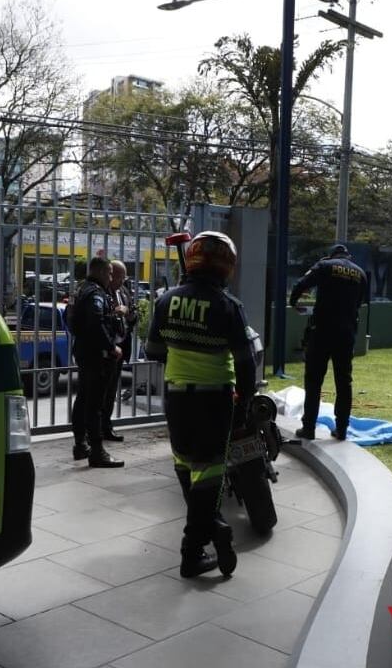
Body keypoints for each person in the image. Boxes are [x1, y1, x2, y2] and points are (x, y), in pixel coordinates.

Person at [146, 231, 256, 579]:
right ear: (227, 266)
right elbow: (245, 363)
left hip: (176, 396)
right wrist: (246, 402)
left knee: (185, 464)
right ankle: (192, 552)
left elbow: (153, 351)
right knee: (209, 472)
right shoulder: (229, 307)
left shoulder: (166, 301)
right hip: (215, 397)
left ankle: (212, 525)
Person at [288, 244, 371, 441]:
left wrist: (293, 302)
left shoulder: (325, 266)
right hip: (346, 333)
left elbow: (301, 283)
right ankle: (342, 429)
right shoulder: (360, 273)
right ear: (348, 256)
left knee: (314, 380)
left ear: (332, 255)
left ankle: (308, 427)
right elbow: (359, 303)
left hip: (322, 330)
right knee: (344, 381)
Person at [68, 257, 124, 468]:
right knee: (94, 404)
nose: (111, 277)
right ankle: (98, 451)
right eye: (110, 273)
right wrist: (111, 347)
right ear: (100, 272)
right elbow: (96, 320)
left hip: (83, 351)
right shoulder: (96, 293)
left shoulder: (80, 290)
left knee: (83, 398)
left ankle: (80, 444)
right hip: (96, 355)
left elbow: (71, 319)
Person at [99, 259, 138, 442]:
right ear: (110, 275)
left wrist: (130, 314)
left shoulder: (123, 291)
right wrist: (116, 312)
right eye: (119, 277)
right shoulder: (101, 293)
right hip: (105, 350)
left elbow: (132, 315)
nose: (122, 281)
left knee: (112, 389)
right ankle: (96, 429)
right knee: (101, 391)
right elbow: (99, 321)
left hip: (120, 347)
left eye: (124, 277)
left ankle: (106, 426)